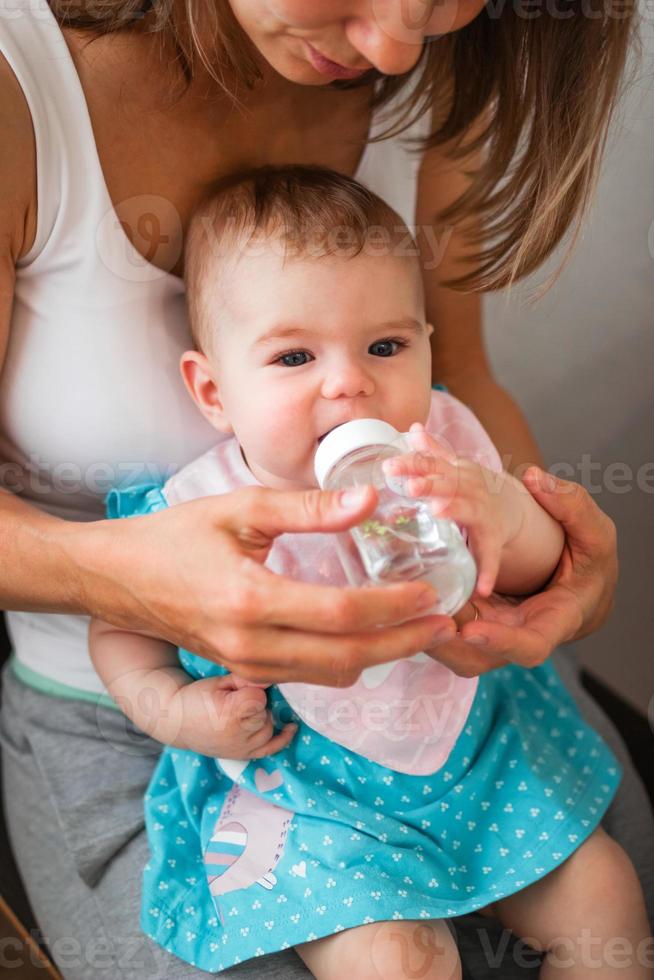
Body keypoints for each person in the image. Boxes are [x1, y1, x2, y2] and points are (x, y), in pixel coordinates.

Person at [0, 2, 650, 979]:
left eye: (387, 346)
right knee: (398, 956)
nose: (394, 50)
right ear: (210, 390)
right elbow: (123, 636)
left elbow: (473, 398)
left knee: (612, 892)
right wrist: (176, 700)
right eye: (296, 355)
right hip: (255, 751)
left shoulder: (435, 439)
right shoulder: (195, 493)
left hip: (456, 710)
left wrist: (547, 552)